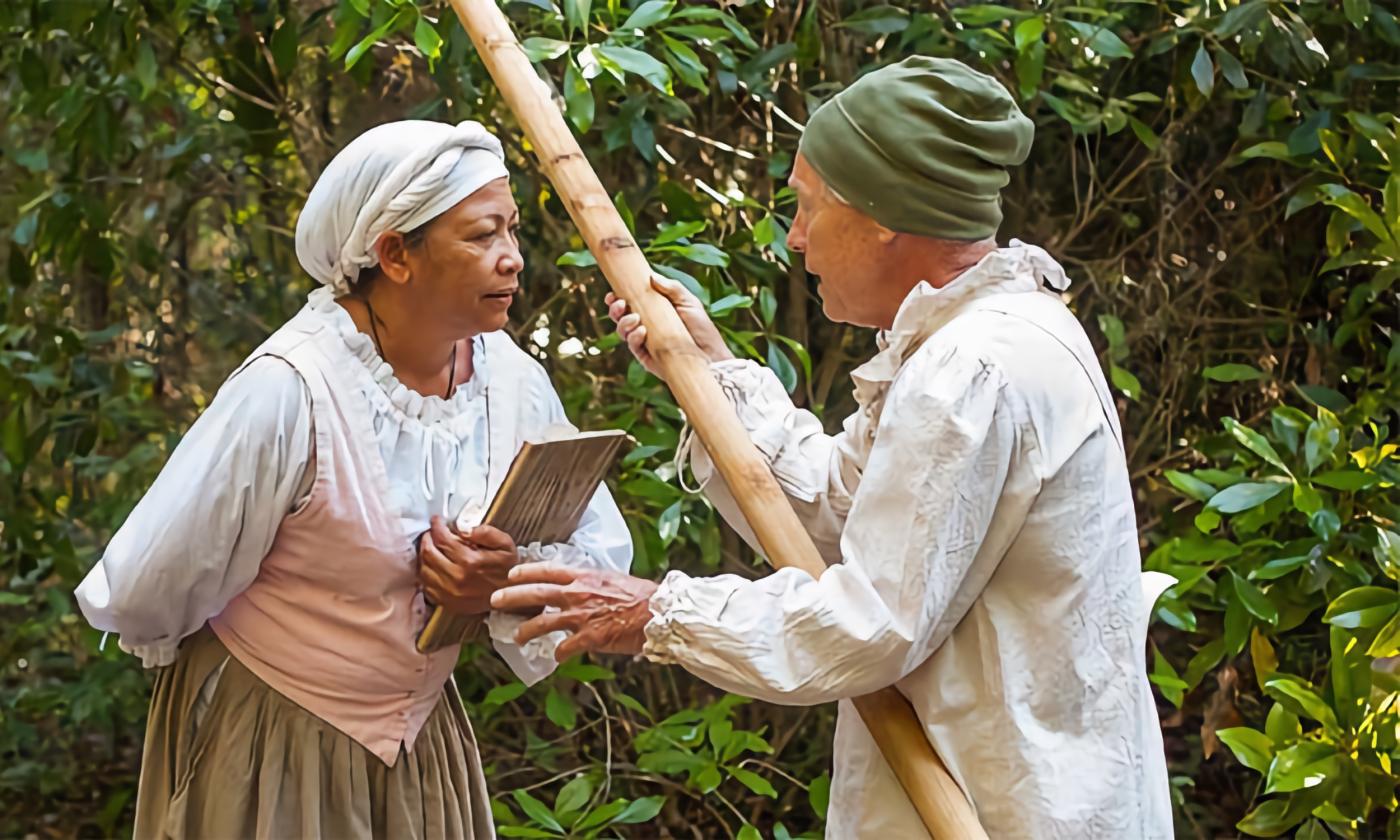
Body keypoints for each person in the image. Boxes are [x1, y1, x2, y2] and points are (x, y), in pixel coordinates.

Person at [489, 57, 1173, 838]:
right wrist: (713, 377)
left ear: (884, 218)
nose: (795, 237)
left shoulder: (973, 367)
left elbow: (868, 623)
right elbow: (850, 515)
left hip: (1017, 810)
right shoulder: (975, 337)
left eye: (809, 207)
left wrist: (655, 612)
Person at [74, 119, 632, 839]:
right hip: (269, 740)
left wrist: (498, 585)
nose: (512, 260)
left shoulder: (513, 383)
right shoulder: (289, 391)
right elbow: (151, 583)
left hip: (421, 751)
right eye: (482, 236)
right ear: (394, 254)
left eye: (513, 232)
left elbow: (597, 558)